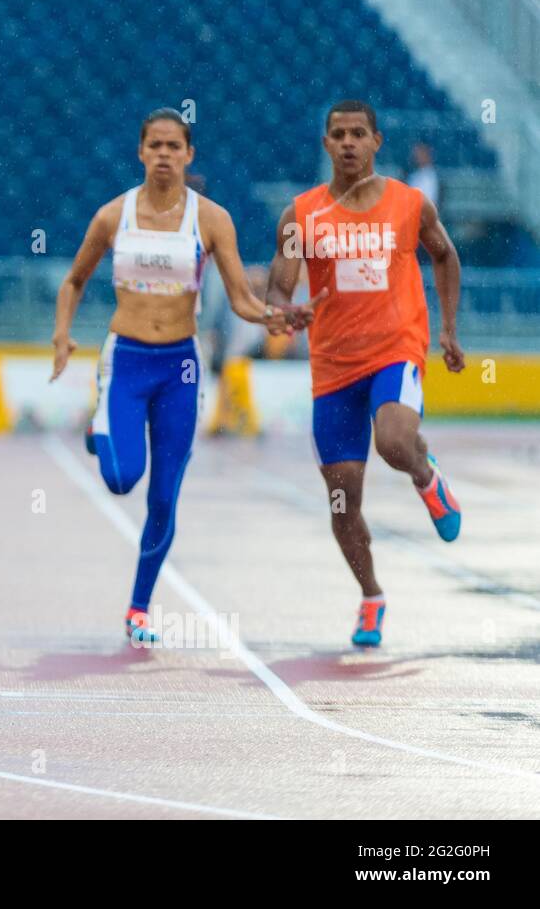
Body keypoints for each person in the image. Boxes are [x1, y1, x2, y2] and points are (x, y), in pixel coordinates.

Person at [51, 107, 310, 645]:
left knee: (164, 496)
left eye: (175, 146)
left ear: (189, 155)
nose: (165, 154)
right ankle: (101, 433)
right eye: (156, 145)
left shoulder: (211, 219)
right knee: (123, 477)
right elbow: (74, 281)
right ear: (141, 152)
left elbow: (241, 298)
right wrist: (62, 335)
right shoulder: (112, 216)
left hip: (181, 366)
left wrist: (274, 316)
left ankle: (139, 608)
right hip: (125, 359)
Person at [266, 100, 465, 647]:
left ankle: (427, 478)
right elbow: (279, 286)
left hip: (394, 350)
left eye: (359, 133)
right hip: (333, 368)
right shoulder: (300, 215)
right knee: (342, 499)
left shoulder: (410, 204)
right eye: (338, 134)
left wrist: (447, 329)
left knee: (395, 442)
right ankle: (371, 596)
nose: (349, 142)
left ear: (377, 141)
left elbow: (445, 256)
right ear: (326, 144)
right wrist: (286, 312)